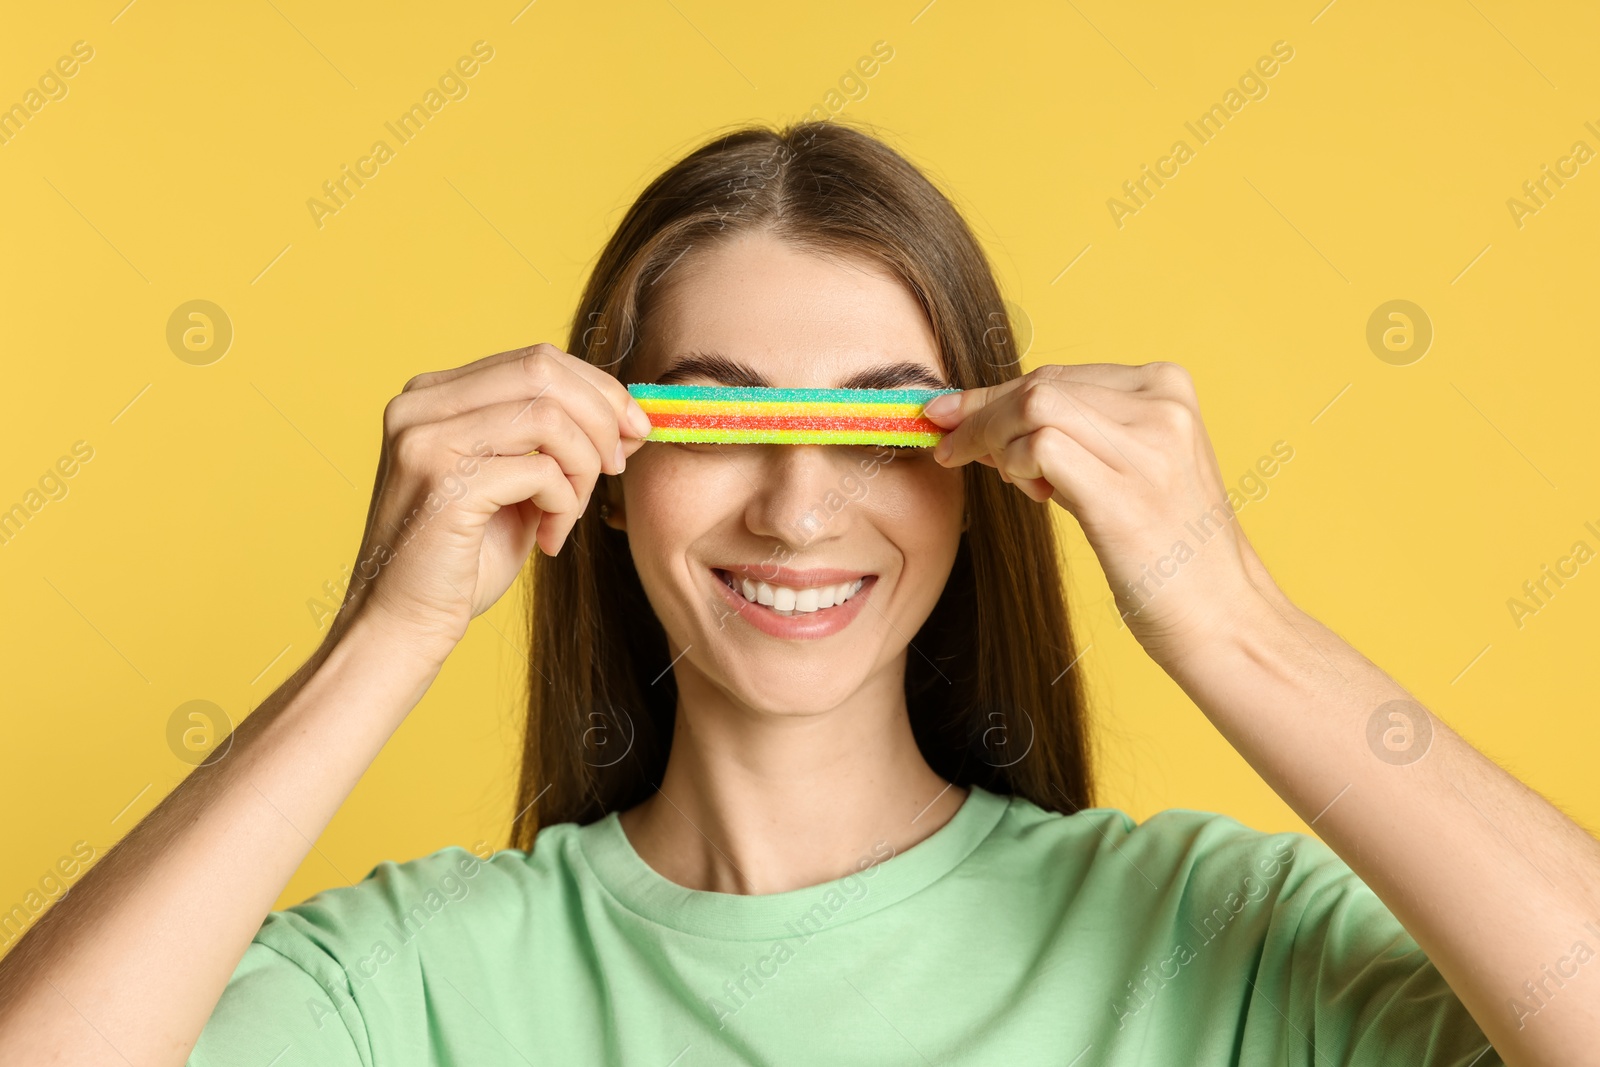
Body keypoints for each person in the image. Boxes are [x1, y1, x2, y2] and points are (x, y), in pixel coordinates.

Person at [1, 120, 1595, 1066]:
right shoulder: (415, 983)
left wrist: (1235, 625)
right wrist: (386, 634)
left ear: (982, 471)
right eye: (717, 415)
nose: (798, 502)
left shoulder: (1217, 941)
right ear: (608, 471)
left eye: (877, 423)